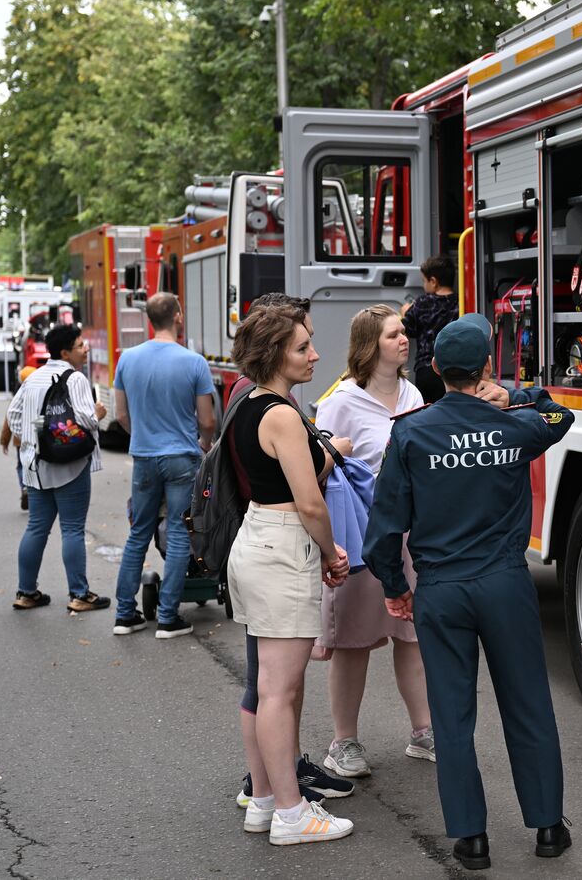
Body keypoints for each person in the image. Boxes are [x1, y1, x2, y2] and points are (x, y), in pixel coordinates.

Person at [364, 313, 575, 871]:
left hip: (442, 587)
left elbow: (384, 529)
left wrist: (394, 585)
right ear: (485, 366)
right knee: (528, 703)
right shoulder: (517, 425)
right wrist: (517, 393)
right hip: (505, 582)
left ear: (433, 368)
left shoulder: (409, 432)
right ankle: (548, 827)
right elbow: (560, 414)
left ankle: (470, 839)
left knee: (452, 715)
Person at [226, 303, 356, 845]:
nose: (315, 355)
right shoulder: (280, 413)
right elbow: (309, 503)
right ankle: (291, 812)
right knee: (279, 691)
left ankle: (262, 799)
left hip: (257, 539)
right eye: (303, 347)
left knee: (263, 688)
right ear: (276, 353)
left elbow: (279, 479)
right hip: (282, 548)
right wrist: (331, 553)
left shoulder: (249, 404)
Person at [314, 305, 434, 778]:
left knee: (413, 637)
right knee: (353, 642)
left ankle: (423, 732)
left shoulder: (413, 392)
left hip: (412, 534)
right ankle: (343, 742)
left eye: (403, 332)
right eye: (392, 335)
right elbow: (323, 470)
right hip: (362, 535)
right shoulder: (340, 401)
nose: (403, 340)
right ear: (370, 345)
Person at [110, 293, 218, 639]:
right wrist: (205, 443)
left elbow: (122, 415)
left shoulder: (127, 359)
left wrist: (140, 436)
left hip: (143, 456)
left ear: (149, 320)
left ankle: (125, 615)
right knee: (177, 532)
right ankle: (168, 618)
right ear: (178, 317)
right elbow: (207, 419)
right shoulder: (194, 362)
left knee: (139, 532)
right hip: (181, 458)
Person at [7, 325, 110, 612]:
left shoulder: (34, 377)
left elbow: (14, 414)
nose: (85, 349)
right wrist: (99, 414)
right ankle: (79, 594)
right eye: (80, 345)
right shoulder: (75, 378)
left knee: (37, 528)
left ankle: (26, 592)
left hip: (36, 465)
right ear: (65, 353)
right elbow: (86, 420)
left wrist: (35, 438)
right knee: (73, 529)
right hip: (70, 466)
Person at [402, 256, 458, 404]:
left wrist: (405, 313)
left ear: (433, 282)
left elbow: (408, 330)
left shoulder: (422, 303)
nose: (423, 285)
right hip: (453, 369)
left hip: (426, 369)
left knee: (427, 409)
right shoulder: (460, 302)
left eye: (423, 280)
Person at [0, 365, 38, 510]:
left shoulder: (17, 398)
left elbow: (8, 420)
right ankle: (34, 489)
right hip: (37, 437)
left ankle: (24, 487)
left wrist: (4, 441)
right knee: (35, 463)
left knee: (21, 464)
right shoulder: (39, 396)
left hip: (19, 439)